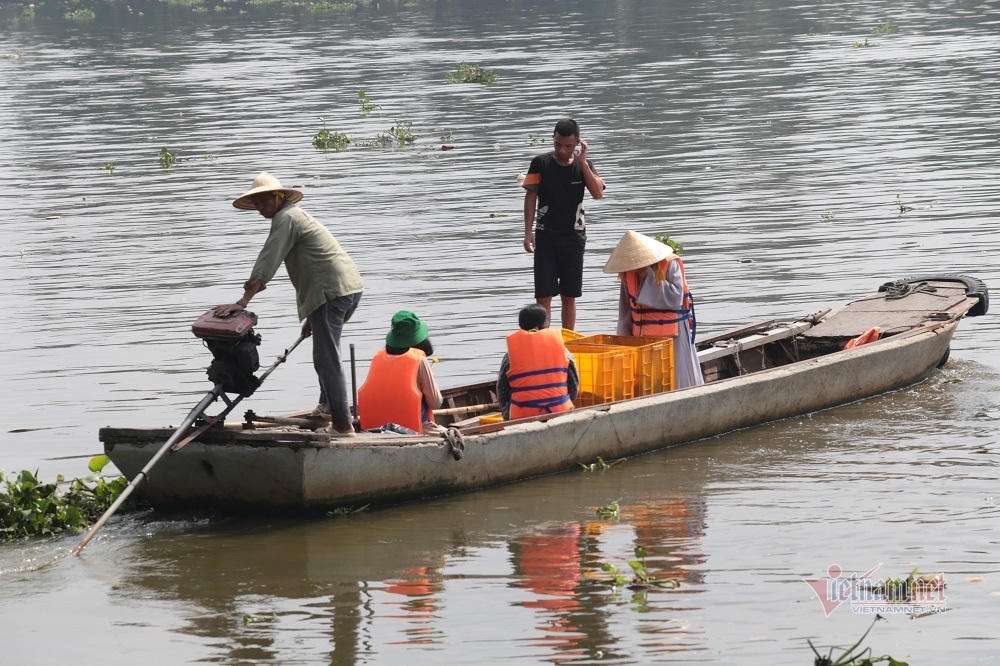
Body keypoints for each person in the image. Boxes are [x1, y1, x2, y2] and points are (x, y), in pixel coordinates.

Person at [214, 172, 364, 436]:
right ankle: (327, 407)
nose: (260, 208)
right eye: (256, 203)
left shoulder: (286, 218)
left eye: (264, 201)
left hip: (333, 292)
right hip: (343, 289)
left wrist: (243, 301)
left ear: (278, 196)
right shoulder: (293, 216)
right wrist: (312, 317)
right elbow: (314, 266)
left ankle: (343, 425)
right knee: (325, 354)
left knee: (327, 358)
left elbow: (268, 260)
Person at [521, 118, 605, 331]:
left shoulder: (583, 165)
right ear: (553, 139)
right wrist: (527, 232)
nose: (562, 150)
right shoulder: (540, 163)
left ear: (577, 143)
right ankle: (545, 341)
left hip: (573, 239)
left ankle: (567, 341)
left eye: (568, 146)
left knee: (569, 295)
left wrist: (583, 163)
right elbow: (531, 196)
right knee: (543, 296)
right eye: (557, 144)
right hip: (545, 238)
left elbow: (597, 193)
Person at [604, 230, 704, 389]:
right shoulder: (627, 273)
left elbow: (675, 298)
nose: (635, 266)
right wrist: (623, 341)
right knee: (647, 380)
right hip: (642, 337)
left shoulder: (670, 264)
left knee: (678, 377)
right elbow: (625, 313)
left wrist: (647, 276)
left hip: (674, 336)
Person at [358, 311, 444, 434]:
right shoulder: (419, 360)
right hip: (413, 429)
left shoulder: (378, 358)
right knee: (454, 435)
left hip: (374, 429)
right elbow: (436, 403)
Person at [497, 304, 579, 420]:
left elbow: (502, 394)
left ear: (521, 326)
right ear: (543, 325)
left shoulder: (510, 355)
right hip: (560, 413)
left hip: (522, 417)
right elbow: (574, 389)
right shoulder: (563, 351)